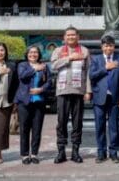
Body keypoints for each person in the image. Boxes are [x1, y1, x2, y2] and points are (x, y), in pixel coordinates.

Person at [50, 27, 92, 163]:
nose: (71, 37)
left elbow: (88, 72)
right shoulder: (58, 51)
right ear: (64, 37)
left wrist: (88, 90)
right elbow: (53, 66)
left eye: (73, 35)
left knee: (77, 123)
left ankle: (75, 151)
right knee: (61, 122)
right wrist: (69, 58)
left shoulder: (84, 51)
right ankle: (61, 151)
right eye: (68, 35)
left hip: (78, 91)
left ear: (78, 36)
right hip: (62, 91)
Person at [89, 36, 119, 163]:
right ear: (102, 47)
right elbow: (92, 76)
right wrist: (106, 68)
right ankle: (101, 153)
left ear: (114, 47)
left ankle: (113, 152)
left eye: (110, 45)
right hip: (99, 98)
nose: (108, 48)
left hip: (114, 99)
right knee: (99, 127)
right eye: (106, 45)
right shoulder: (96, 59)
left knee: (113, 127)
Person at [14, 46, 51, 165]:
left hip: (39, 101)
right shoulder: (22, 65)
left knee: (37, 129)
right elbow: (22, 76)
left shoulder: (45, 66)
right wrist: (35, 69)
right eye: (31, 52)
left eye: (35, 52)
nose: (33, 54)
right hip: (24, 101)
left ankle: (34, 153)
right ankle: (25, 154)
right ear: (27, 54)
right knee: (24, 129)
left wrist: (41, 89)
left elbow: (49, 82)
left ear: (39, 54)